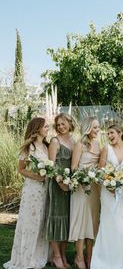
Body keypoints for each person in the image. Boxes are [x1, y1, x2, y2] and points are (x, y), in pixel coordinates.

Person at [3, 117, 49, 269]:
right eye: (45, 126)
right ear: (37, 129)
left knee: (42, 221)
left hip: (45, 190)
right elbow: (21, 169)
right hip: (33, 189)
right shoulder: (28, 148)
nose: (48, 128)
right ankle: (26, 256)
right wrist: (36, 176)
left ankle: (39, 254)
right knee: (30, 222)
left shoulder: (47, 146)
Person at [91, 124, 123, 269]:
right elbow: (100, 171)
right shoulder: (106, 149)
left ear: (120, 133)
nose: (109, 136)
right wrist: (111, 187)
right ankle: (104, 259)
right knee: (109, 221)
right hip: (108, 192)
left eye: (112, 133)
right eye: (108, 134)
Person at [69, 116, 101, 269]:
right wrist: (84, 179)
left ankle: (90, 256)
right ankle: (79, 257)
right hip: (81, 188)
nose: (97, 130)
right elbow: (74, 168)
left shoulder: (99, 144)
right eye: (95, 127)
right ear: (88, 128)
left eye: (98, 127)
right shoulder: (80, 145)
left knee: (92, 222)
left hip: (94, 188)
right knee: (81, 221)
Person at [47, 113, 75, 269]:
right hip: (57, 185)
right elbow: (50, 166)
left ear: (70, 123)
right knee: (56, 218)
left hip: (71, 185)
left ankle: (63, 254)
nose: (61, 127)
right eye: (58, 125)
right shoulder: (54, 141)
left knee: (67, 220)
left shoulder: (74, 141)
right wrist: (60, 182)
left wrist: (71, 183)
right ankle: (56, 256)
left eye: (63, 124)